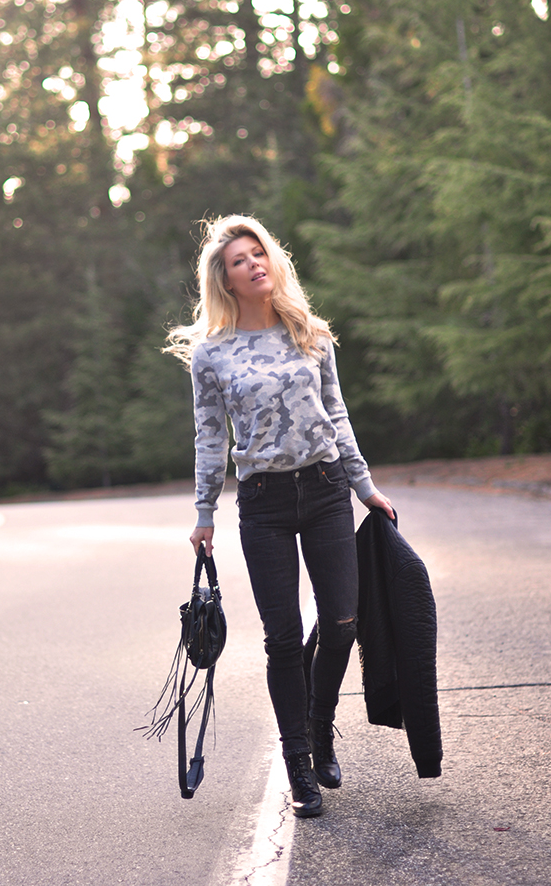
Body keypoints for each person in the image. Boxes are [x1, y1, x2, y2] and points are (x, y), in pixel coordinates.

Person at [165, 215, 395, 818]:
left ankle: (320, 728)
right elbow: (209, 438)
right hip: (263, 502)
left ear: (273, 260)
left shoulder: (309, 334)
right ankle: (300, 766)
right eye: (240, 260)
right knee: (284, 639)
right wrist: (204, 513)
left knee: (343, 620)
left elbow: (337, 415)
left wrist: (364, 486)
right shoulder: (212, 356)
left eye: (259, 253)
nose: (254, 264)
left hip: (324, 489)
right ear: (227, 279)